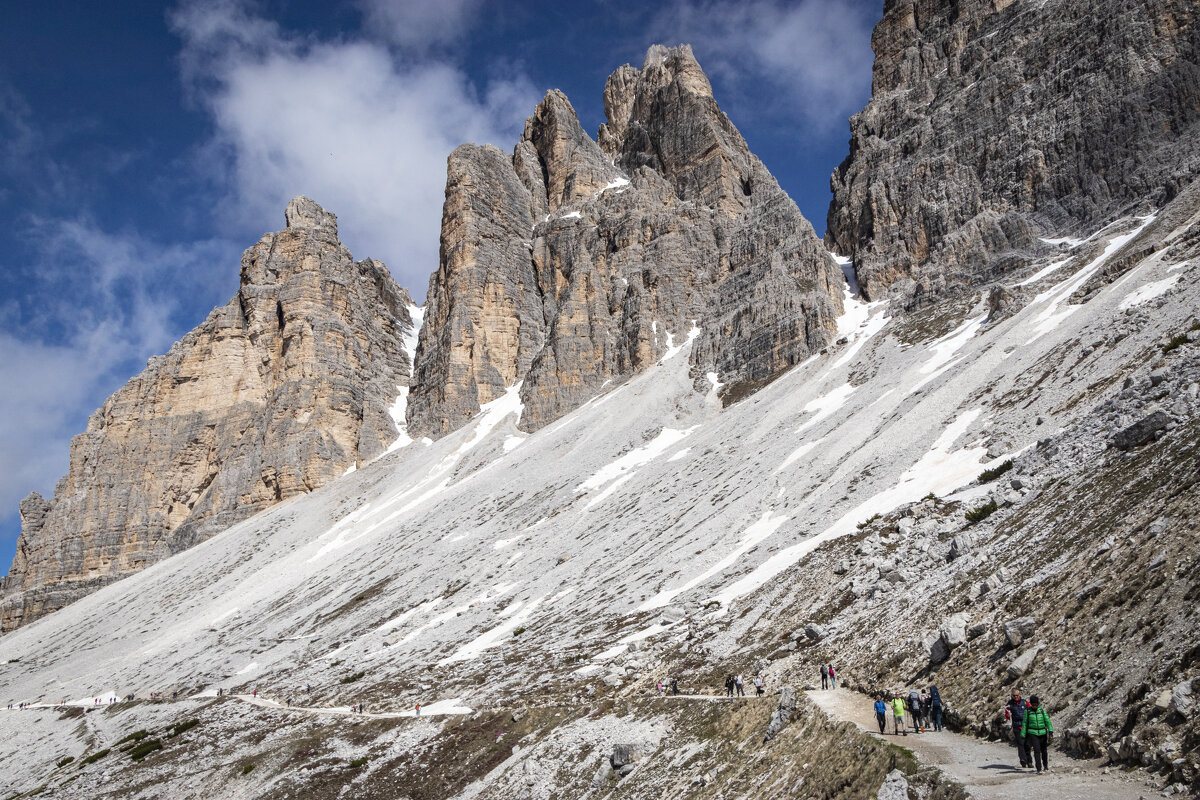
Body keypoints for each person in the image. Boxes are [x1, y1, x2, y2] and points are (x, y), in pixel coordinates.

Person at [1021, 695, 1053, 774]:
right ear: (1031, 704)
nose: (1035, 706)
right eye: (1033, 705)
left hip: (1043, 733)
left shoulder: (1042, 711)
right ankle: (1039, 768)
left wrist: (1051, 731)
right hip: (1033, 733)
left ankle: (1045, 766)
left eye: (1036, 704)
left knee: (1044, 751)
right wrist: (1023, 735)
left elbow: (1048, 721)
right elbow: (1024, 724)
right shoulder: (1027, 712)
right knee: (1037, 751)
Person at [1005, 689, 1031, 768]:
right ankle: (1023, 760)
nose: (1016, 697)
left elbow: (1031, 710)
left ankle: (1029, 761)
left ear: (1019, 695)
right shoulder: (1009, 704)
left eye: (1017, 695)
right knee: (1020, 744)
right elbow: (1006, 714)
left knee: (1027, 744)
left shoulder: (1025, 703)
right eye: (1014, 696)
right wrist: (1008, 715)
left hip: (1026, 726)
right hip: (1017, 726)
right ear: (1012, 695)